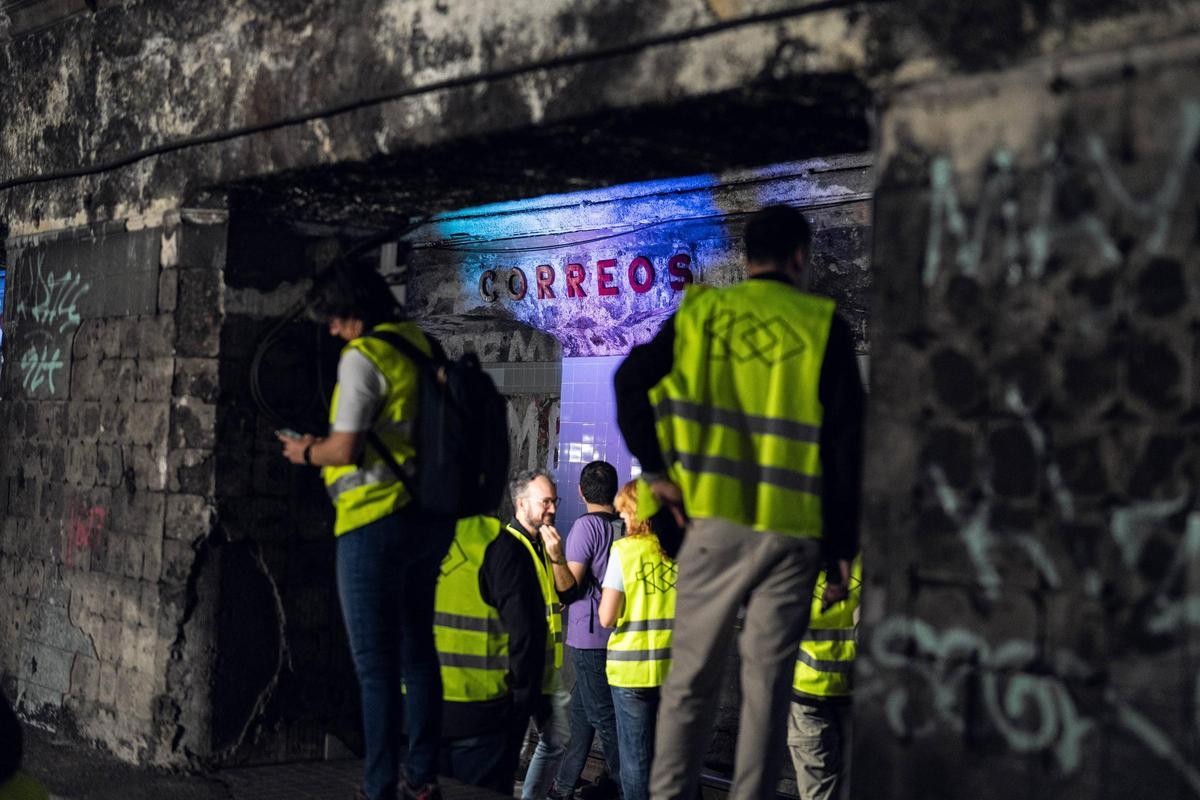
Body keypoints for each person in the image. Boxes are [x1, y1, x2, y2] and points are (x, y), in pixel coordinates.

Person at [613, 204, 864, 800]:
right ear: (799, 257)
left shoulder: (703, 314)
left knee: (690, 682)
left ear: (746, 258)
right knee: (768, 690)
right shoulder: (821, 323)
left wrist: (657, 472)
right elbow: (846, 445)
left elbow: (629, 381)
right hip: (792, 535)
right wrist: (841, 547)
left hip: (712, 527)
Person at [278, 263, 454, 800]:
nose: (333, 330)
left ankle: (379, 787)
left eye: (335, 318)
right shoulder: (421, 345)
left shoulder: (364, 356)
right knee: (418, 654)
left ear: (354, 308)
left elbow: (345, 448)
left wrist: (306, 451)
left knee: (375, 668)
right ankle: (421, 780)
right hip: (427, 519)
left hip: (372, 521)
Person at [434, 514, 548, 794]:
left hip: (415, 714)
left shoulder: (409, 535)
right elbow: (528, 639)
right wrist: (518, 713)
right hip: (481, 717)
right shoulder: (500, 547)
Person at [505, 470, 584, 800]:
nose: (552, 508)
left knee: (556, 740)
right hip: (518, 668)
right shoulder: (509, 546)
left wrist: (558, 557)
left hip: (546, 667)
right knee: (513, 747)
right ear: (522, 504)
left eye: (555, 501)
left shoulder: (545, 542)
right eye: (545, 502)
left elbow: (568, 593)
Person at [599, 480, 678, 800]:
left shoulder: (624, 551)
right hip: (673, 669)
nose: (621, 517)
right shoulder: (680, 551)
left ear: (636, 512)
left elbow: (607, 617)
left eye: (624, 511)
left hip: (630, 672)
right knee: (673, 757)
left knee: (635, 760)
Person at [553, 461, 624, 800]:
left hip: (588, 635)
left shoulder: (585, 527)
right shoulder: (624, 526)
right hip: (615, 634)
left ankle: (628, 786)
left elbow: (571, 585)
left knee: (603, 717)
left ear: (581, 491)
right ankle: (563, 786)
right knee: (582, 714)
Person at [787, 555, 862, 800]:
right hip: (855, 694)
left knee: (819, 793)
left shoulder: (801, 560)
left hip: (808, 693)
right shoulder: (869, 563)